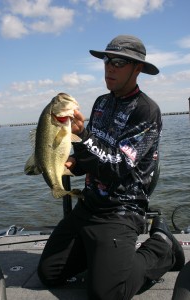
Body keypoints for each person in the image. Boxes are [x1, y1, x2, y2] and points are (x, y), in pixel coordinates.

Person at [38, 35, 185, 300]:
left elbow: (117, 167)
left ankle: (162, 246)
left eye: (119, 62)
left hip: (121, 211)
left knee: (106, 293)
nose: (110, 67)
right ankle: (99, 255)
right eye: (107, 60)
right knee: (50, 273)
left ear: (137, 69)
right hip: (89, 205)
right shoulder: (101, 103)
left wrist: (83, 135)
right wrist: (72, 162)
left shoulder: (147, 111)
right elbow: (92, 155)